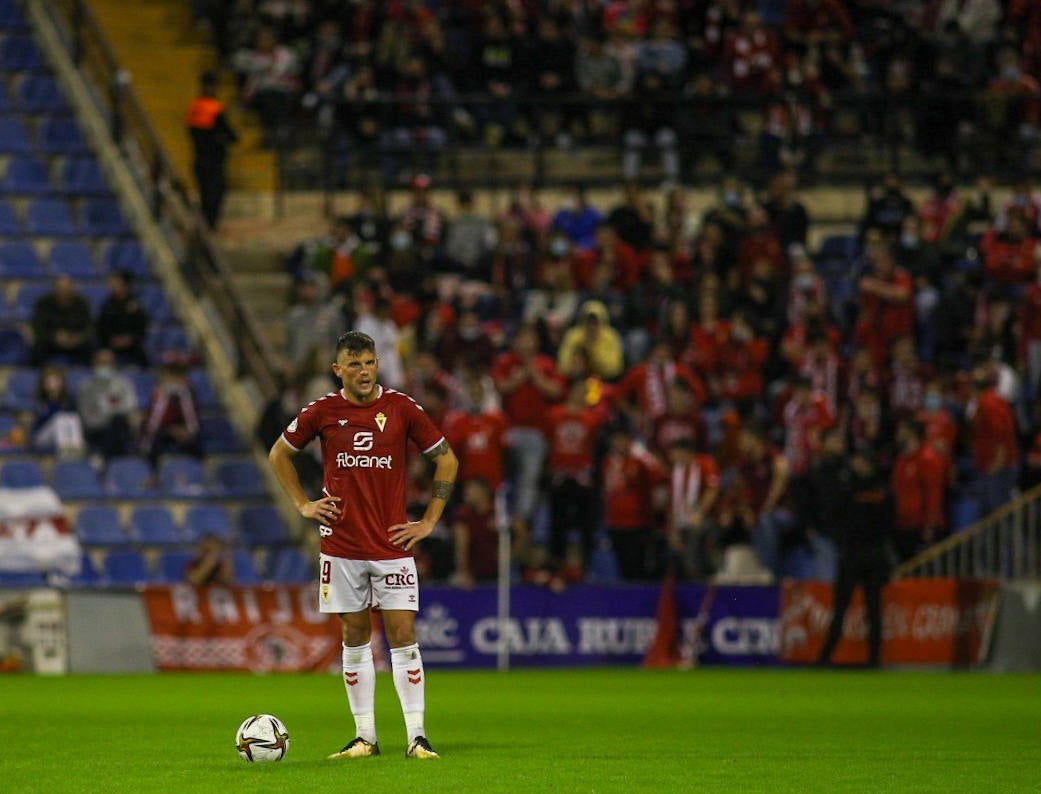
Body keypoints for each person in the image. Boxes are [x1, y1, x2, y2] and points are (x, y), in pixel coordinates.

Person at [268, 330, 458, 761]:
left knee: (404, 636)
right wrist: (303, 503)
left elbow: (447, 458)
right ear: (338, 370)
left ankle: (417, 738)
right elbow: (279, 454)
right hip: (341, 547)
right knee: (354, 638)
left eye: (369, 362)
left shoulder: (401, 408)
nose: (364, 371)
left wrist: (429, 521)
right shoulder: (322, 412)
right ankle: (365, 738)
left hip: (391, 545)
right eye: (354, 364)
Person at [816, 448, 892, 668]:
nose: (856, 465)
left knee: (873, 608)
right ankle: (826, 656)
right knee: (841, 608)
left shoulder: (877, 489)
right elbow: (834, 517)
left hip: (871, 553)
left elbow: (888, 522)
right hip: (853, 553)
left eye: (860, 460)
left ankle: (873, 659)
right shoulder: (849, 487)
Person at [185, 70, 238, 230]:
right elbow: (231, 136)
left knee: (204, 195)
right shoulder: (214, 108)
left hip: (199, 158)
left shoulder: (194, 107)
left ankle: (204, 228)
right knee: (214, 195)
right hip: (214, 160)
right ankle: (209, 229)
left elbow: (192, 131)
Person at [77, 348, 138, 461]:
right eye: (102, 363)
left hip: (119, 427)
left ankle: (109, 461)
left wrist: (107, 411)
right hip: (96, 428)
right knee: (113, 426)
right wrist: (108, 413)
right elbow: (86, 416)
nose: (105, 367)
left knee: (118, 423)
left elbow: (130, 406)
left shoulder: (123, 384)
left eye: (109, 363)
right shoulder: (86, 387)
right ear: (95, 364)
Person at [30, 275, 94, 366]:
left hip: (76, 342)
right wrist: (54, 337)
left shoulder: (82, 303)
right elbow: (38, 327)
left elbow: (89, 326)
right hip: (51, 342)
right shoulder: (43, 303)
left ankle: (85, 375)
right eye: (60, 288)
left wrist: (79, 337)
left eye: (67, 288)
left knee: (91, 347)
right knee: (36, 350)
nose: (64, 291)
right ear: (55, 289)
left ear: (72, 289)